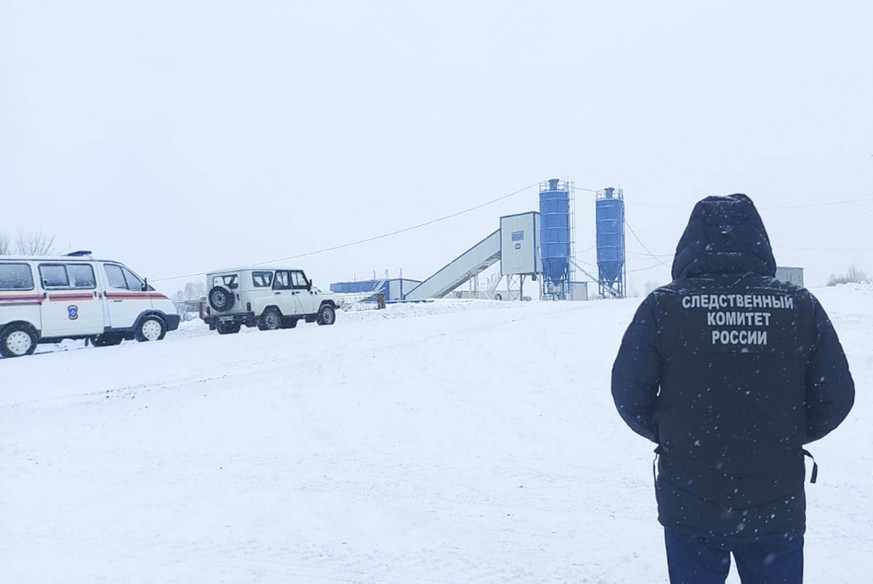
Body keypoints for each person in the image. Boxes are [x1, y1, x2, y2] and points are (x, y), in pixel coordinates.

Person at [611, 194, 854, 584]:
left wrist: (674, 435)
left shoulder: (664, 307)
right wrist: (785, 434)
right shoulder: (800, 306)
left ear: (689, 242)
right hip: (776, 499)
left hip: (691, 497)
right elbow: (836, 396)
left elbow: (629, 394)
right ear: (759, 240)